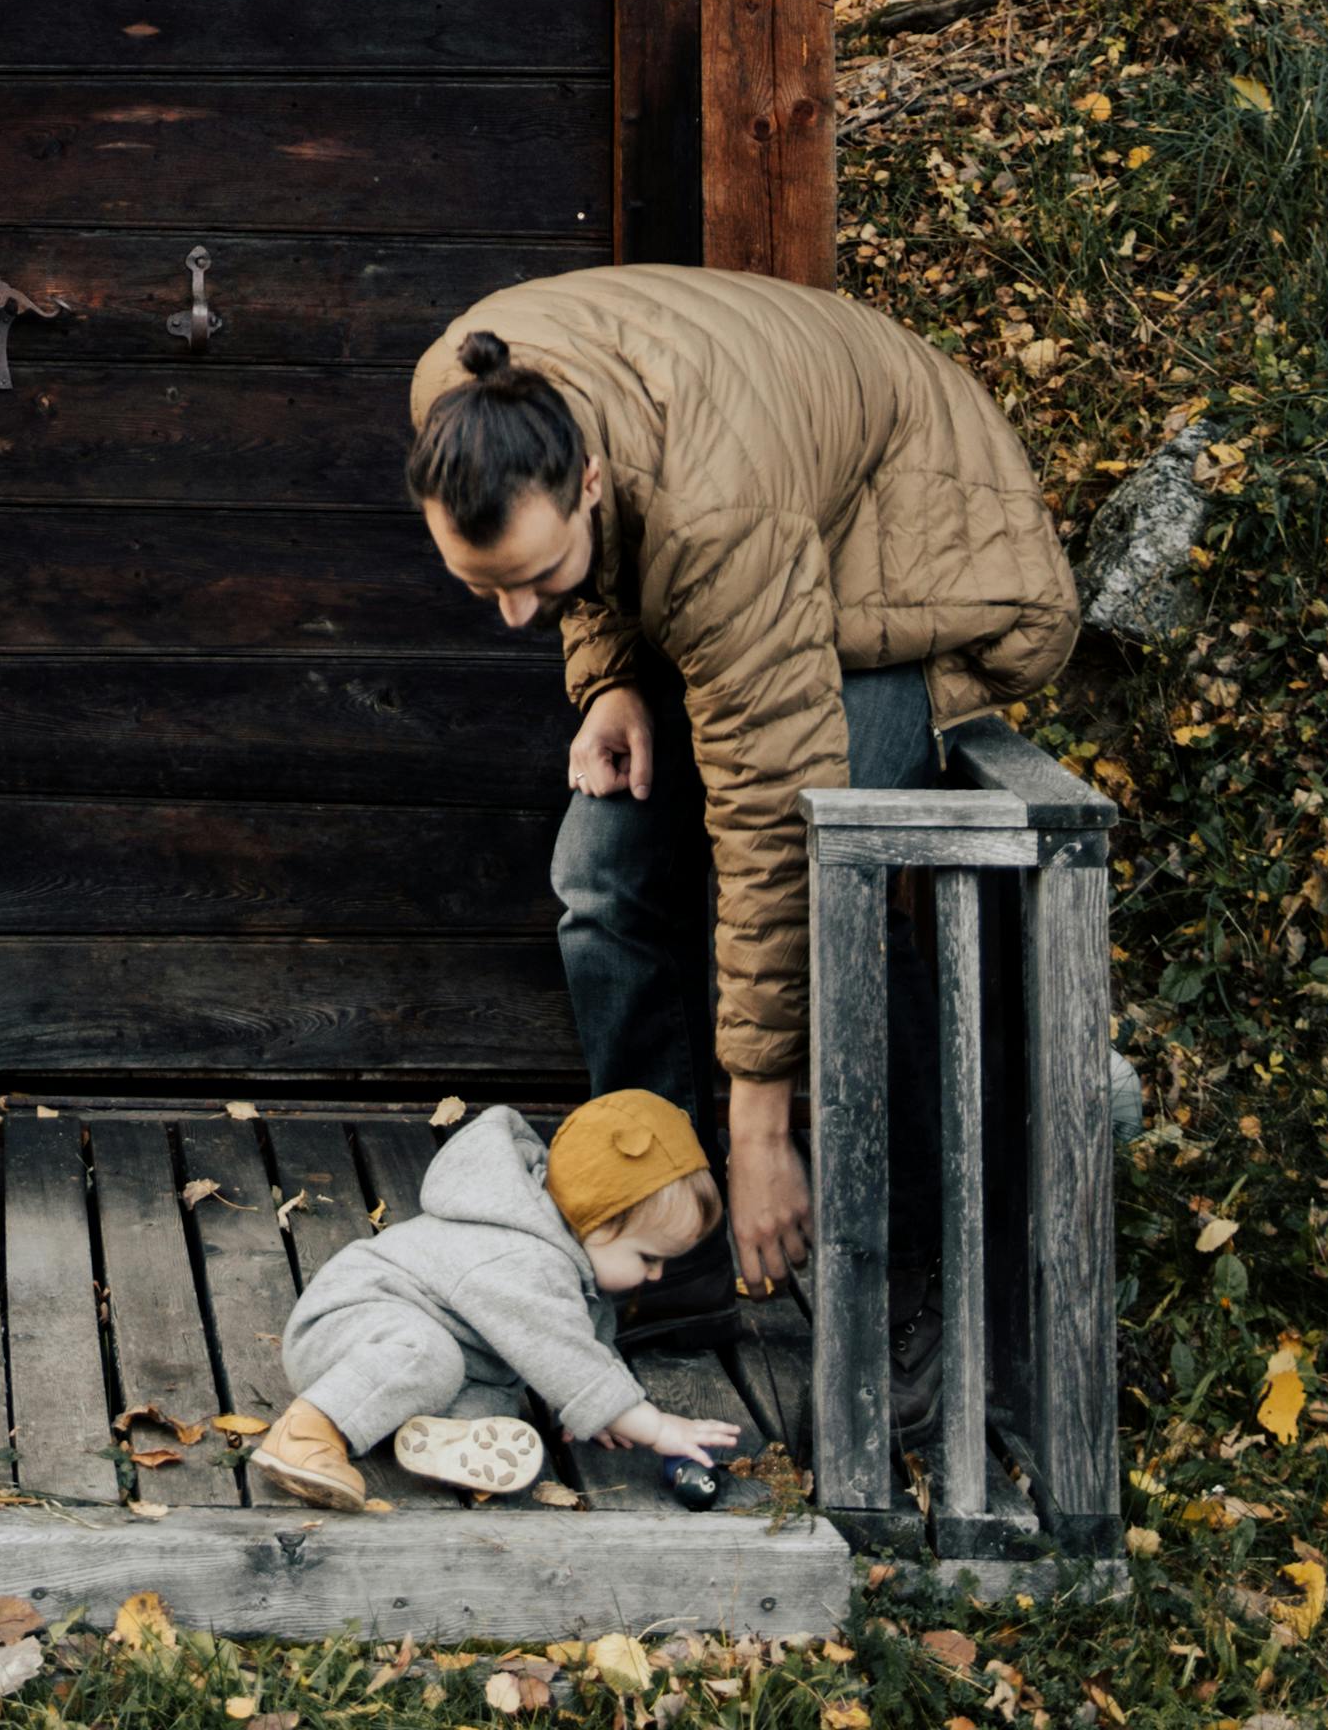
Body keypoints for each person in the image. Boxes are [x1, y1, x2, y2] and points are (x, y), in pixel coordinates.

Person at [405, 268, 1079, 1298]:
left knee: (835, 883)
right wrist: (613, 681)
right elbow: (610, 554)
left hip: (904, 547)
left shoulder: (714, 513)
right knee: (601, 876)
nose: (515, 616)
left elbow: (770, 824)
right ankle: (663, 1249)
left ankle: (915, 1277)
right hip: (754, 528)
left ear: (585, 481)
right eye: (482, 585)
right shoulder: (462, 401)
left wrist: (758, 1130)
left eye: (537, 582)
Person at [255, 1091, 748, 1515]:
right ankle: (305, 1433)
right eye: (649, 1257)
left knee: (495, 1408)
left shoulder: (568, 1257)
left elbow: (581, 1344)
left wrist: (592, 1412)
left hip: (426, 1357)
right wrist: (653, 1425)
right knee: (429, 1356)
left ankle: (419, 1435)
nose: (657, 1275)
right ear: (599, 1224)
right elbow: (562, 1356)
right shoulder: (522, 1256)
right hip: (351, 1324)